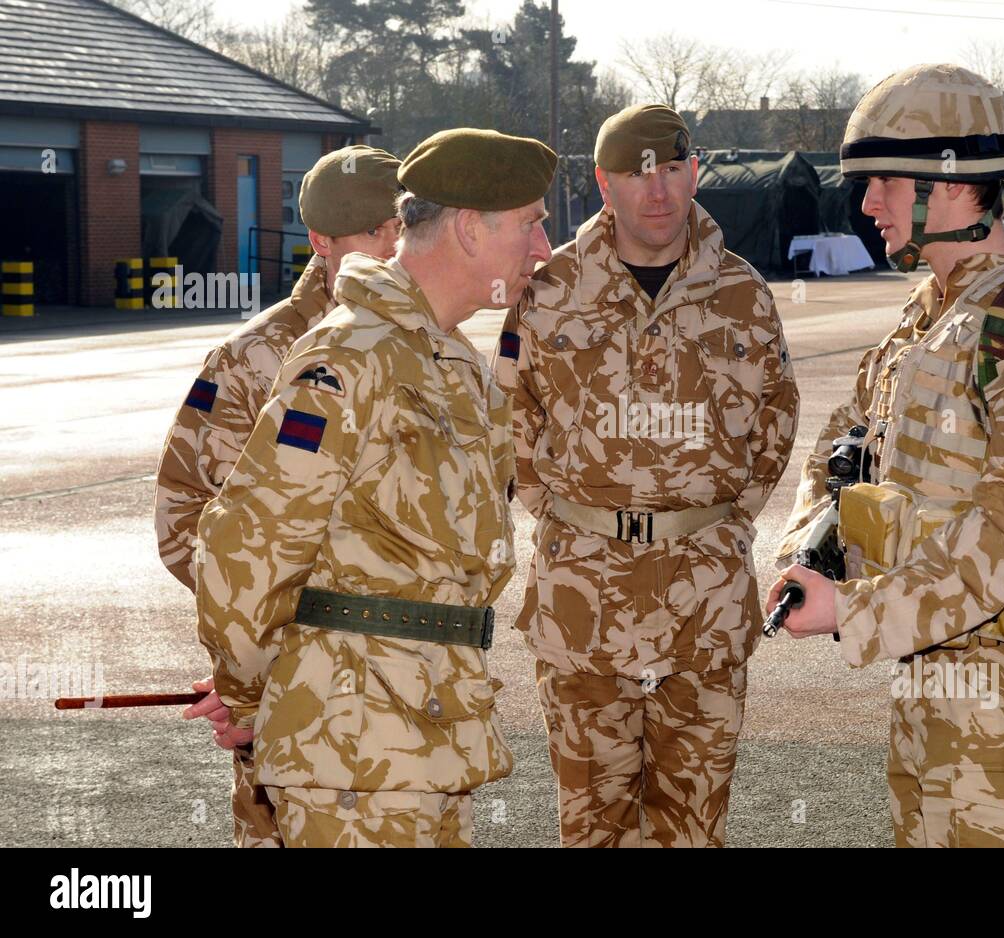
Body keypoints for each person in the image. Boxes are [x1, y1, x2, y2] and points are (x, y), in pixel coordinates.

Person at [769, 64, 1004, 847]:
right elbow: (840, 452)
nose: (866, 203)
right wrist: (806, 555)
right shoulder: (925, 315)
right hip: (924, 673)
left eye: (884, 180)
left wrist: (854, 611)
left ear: (950, 183)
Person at [194, 128, 556, 847]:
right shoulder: (349, 354)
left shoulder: (452, 364)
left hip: (429, 735)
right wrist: (247, 690)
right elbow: (248, 547)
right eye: (531, 223)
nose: (545, 248)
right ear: (467, 229)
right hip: (352, 748)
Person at [495, 104, 799, 847]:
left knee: (693, 826)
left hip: (706, 603)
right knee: (592, 826)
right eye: (635, 173)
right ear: (604, 183)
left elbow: (776, 420)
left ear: (694, 172)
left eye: (671, 168)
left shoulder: (742, 292)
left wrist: (714, 520)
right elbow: (510, 423)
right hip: (582, 601)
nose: (656, 189)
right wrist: (578, 517)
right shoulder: (548, 290)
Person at [154, 144, 401, 847]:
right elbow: (184, 520)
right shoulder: (254, 359)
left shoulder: (428, 349)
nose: (392, 246)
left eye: (401, 226)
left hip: (403, 689)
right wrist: (265, 655)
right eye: (372, 232)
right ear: (321, 242)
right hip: (287, 684)